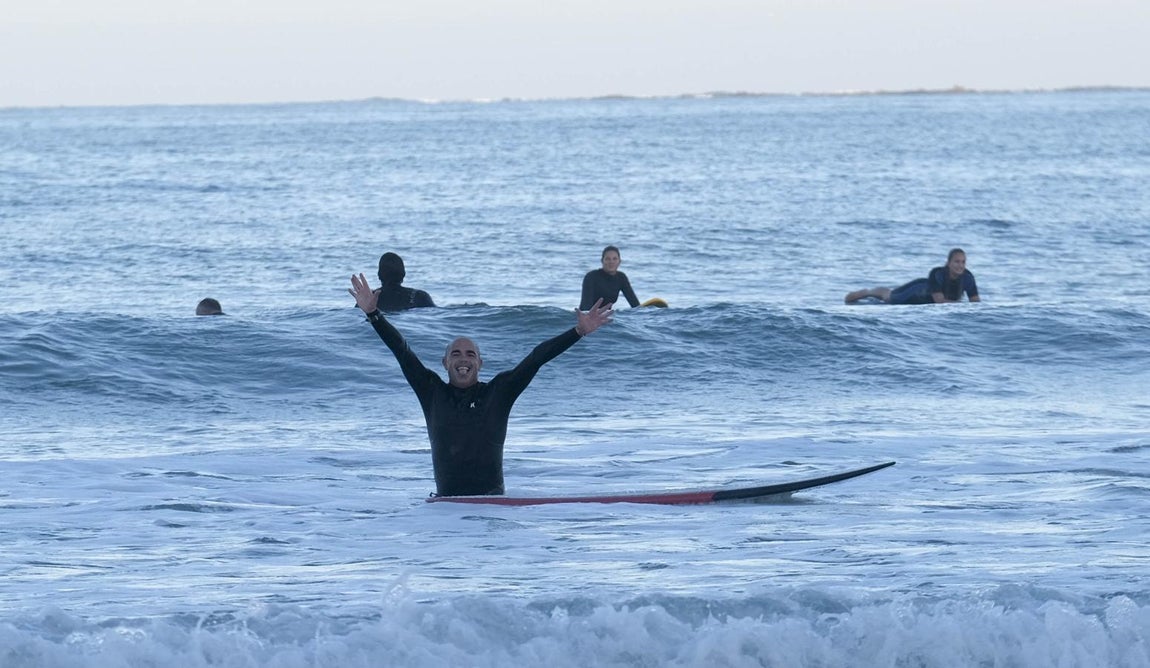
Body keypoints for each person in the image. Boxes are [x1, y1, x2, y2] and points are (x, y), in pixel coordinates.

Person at [348, 272, 613, 496]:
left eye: (470, 354)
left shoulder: (499, 392)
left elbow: (536, 359)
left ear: (480, 364)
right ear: (444, 363)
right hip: (445, 509)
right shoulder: (431, 392)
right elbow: (402, 351)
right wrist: (373, 315)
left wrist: (578, 332)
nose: (463, 360)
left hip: (494, 507)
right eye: (456, 354)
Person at [844, 248, 981, 305]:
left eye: (963, 262)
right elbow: (939, 302)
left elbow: (976, 303)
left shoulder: (968, 278)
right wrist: (961, 306)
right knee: (889, 297)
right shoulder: (937, 273)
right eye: (956, 262)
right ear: (948, 263)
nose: (960, 266)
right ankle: (867, 292)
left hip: (927, 302)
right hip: (917, 291)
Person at [580, 245, 641, 310]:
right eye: (607, 259)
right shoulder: (591, 277)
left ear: (619, 261)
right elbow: (585, 306)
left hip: (607, 316)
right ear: (602, 261)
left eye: (614, 259)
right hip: (587, 316)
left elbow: (635, 304)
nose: (611, 262)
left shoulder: (621, 278)